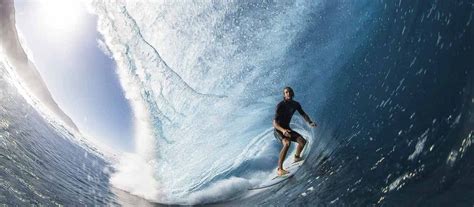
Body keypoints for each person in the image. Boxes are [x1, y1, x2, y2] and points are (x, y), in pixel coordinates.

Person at [273, 87, 317, 176]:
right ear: (284, 95)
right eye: (286, 92)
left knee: (302, 142)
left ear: (292, 93)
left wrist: (310, 122)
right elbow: (274, 122)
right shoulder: (280, 105)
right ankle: (280, 169)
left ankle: (296, 157)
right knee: (287, 143)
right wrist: (283, 130)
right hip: (278, 130)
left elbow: (303, 114)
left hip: (287, 129)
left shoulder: (295, 104)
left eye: (289, 92)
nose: (288, 93)